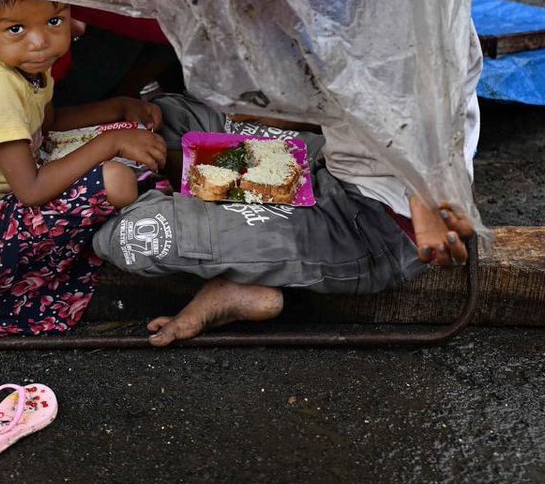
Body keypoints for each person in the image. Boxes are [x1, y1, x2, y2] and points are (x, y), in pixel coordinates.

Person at [92, 28, 484, 346]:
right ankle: (238, 250)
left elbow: (425, 119)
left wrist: (424, 200)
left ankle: (233, 245)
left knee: (130, 237)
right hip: (325, 166)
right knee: (169, 121)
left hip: (366, 222)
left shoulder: (412, 14)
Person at [0, 0, 167, 339]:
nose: (39, 41)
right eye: (17, 28)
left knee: (128, 139)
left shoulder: (22, 60)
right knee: (118, 181)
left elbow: (46, 124)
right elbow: (31, 189)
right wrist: (110, 142)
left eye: (55, 21)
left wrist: (119, 108)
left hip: (11, 199)